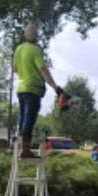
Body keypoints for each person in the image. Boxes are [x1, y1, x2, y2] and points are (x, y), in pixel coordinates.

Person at [13, 24, 64, 158]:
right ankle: (25, 149)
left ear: (25, 35)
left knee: (23, 117)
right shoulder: (36, 50)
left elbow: (15, 69)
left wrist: (26, 72)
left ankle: (19, 145)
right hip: (33, 89)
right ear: (36, 37)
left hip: (21, 88)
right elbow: (42, 69)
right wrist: (55, 88)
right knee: (29, 117)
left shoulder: (19, 49)